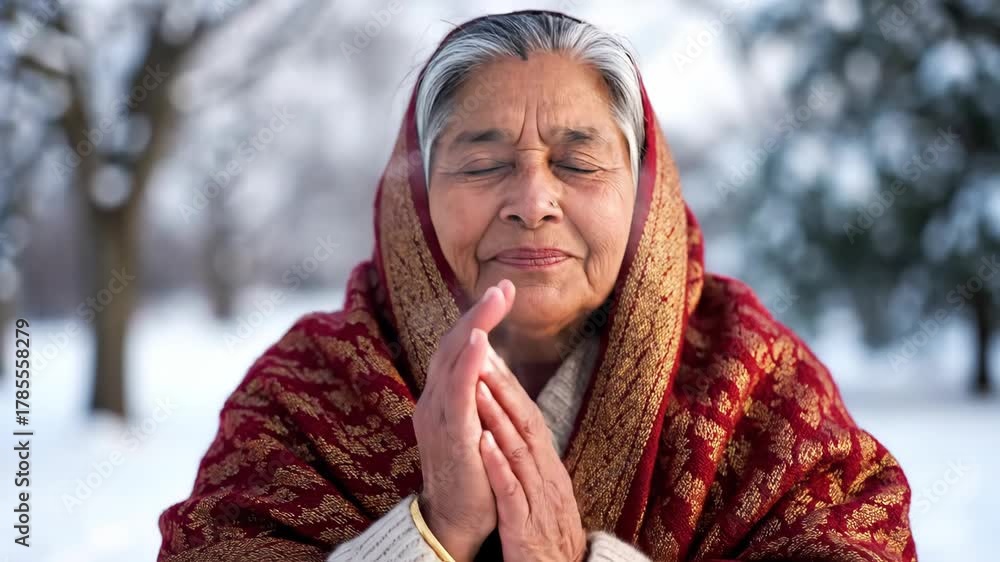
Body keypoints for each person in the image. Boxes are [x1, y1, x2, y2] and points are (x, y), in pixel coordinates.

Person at [158, 10, 917, 561]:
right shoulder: (307, 390)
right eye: (483, 163)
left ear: (644, 194)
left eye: (579, 162)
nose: (532, 199)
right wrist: (434, 530)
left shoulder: (758, 383)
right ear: (418, 197)